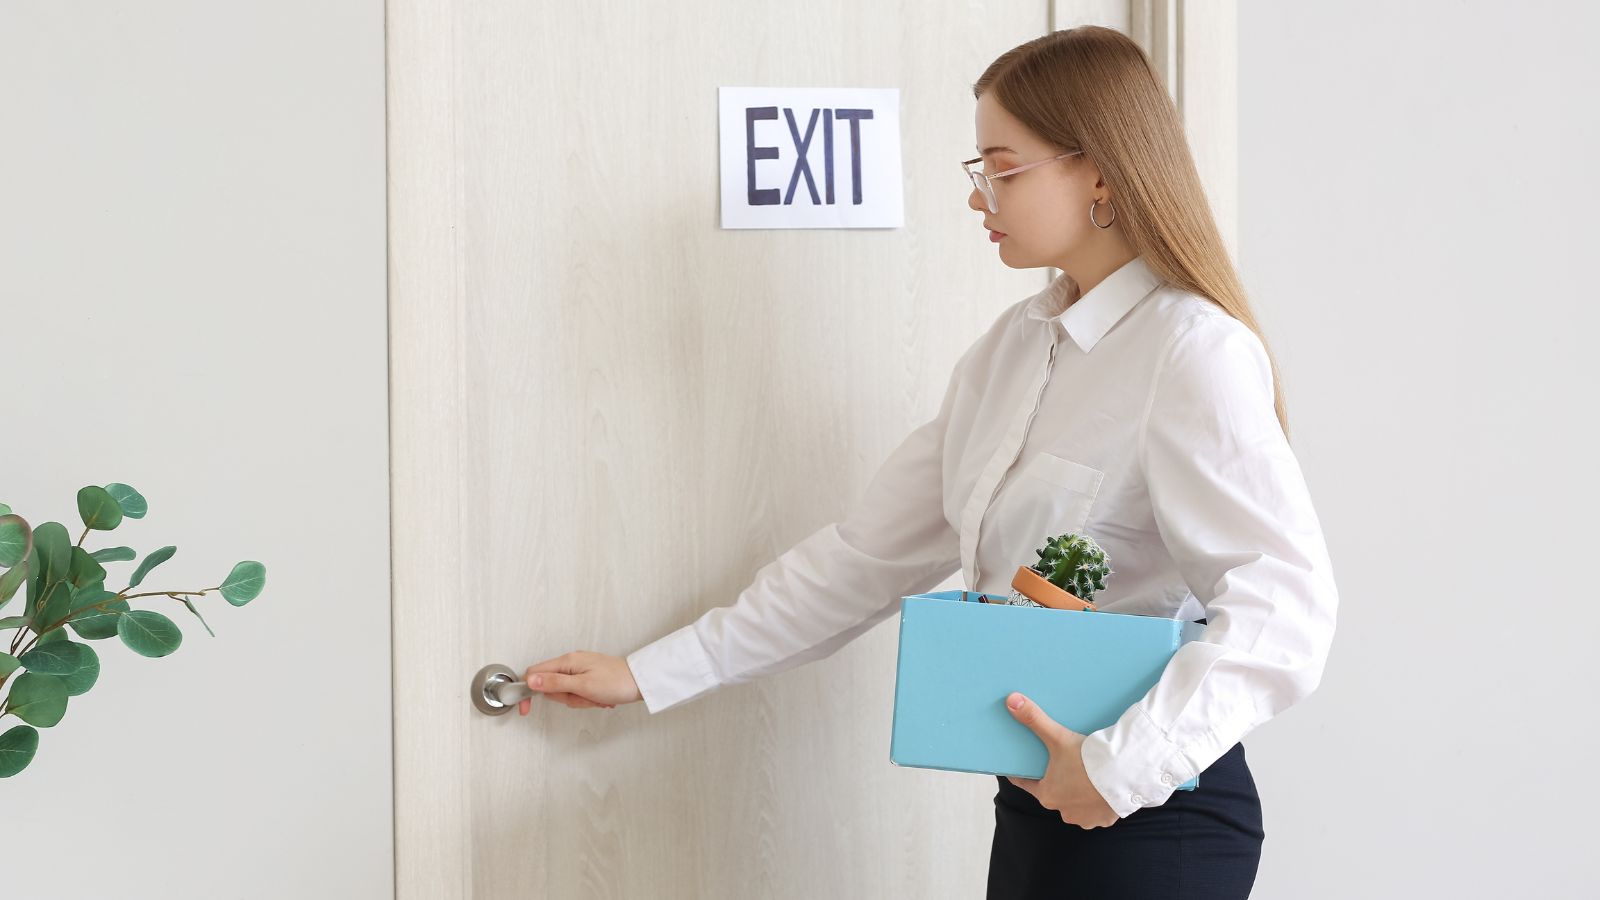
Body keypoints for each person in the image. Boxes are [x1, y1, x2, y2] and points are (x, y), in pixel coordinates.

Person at [517, 24, 1338, 900]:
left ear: (1098, 170)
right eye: (975, 169)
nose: (980, 197)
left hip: (1151, 818)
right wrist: (649, 672)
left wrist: (1118, 768)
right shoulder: (1011, 354)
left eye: (1003, 166)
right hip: (1035, 809)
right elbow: (863, 559)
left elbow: (1284, 605)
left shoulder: (1191, 352)